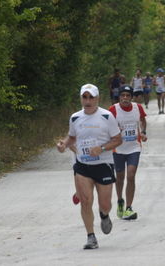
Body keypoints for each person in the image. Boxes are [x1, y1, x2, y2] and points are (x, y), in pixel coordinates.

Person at [57, 84, 122, 249]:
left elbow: (118, 140)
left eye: (91, 97)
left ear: (97, 98)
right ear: (81, 98)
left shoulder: (107, 117)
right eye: (84, 97)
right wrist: (64, 144)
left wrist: (101, 148)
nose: (88, 101)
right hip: (83, 164)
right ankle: (91, 237)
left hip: (103, 164)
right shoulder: (75, 118)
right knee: (85, 201)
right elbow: (72, 137)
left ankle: (104, 214)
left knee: (105, 204)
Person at [108, 85, 147, 220]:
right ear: (119, 97)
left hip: (134, 147)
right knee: (120, 177)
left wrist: (143, 132)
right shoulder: (113, 109)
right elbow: (106, 127)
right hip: (118, 148)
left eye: (128, 95)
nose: (125, 98)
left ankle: (129, 208)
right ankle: (120, 200)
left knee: (131, 175)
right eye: (122, 95)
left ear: (132, 97)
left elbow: (142, 120)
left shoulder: (138, 108)